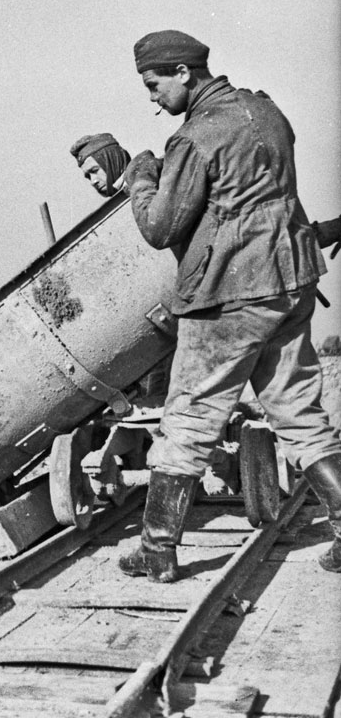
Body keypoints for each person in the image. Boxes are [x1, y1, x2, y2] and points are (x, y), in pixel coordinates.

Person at [117, 29, 341, 582]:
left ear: (183, 73)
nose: (153, 99)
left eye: (153, 85)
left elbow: (159, 227)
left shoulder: (193, 138)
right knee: (298, 410)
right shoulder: (266, 112)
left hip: (230, 292)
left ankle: (158, 550)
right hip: (291, 279)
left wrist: (141, 177)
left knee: (190, 418)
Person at [70, 133, 131, 197]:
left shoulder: (138, 187)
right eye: (88, 177)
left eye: (95, 171)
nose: (93, 182)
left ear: (114, 162)